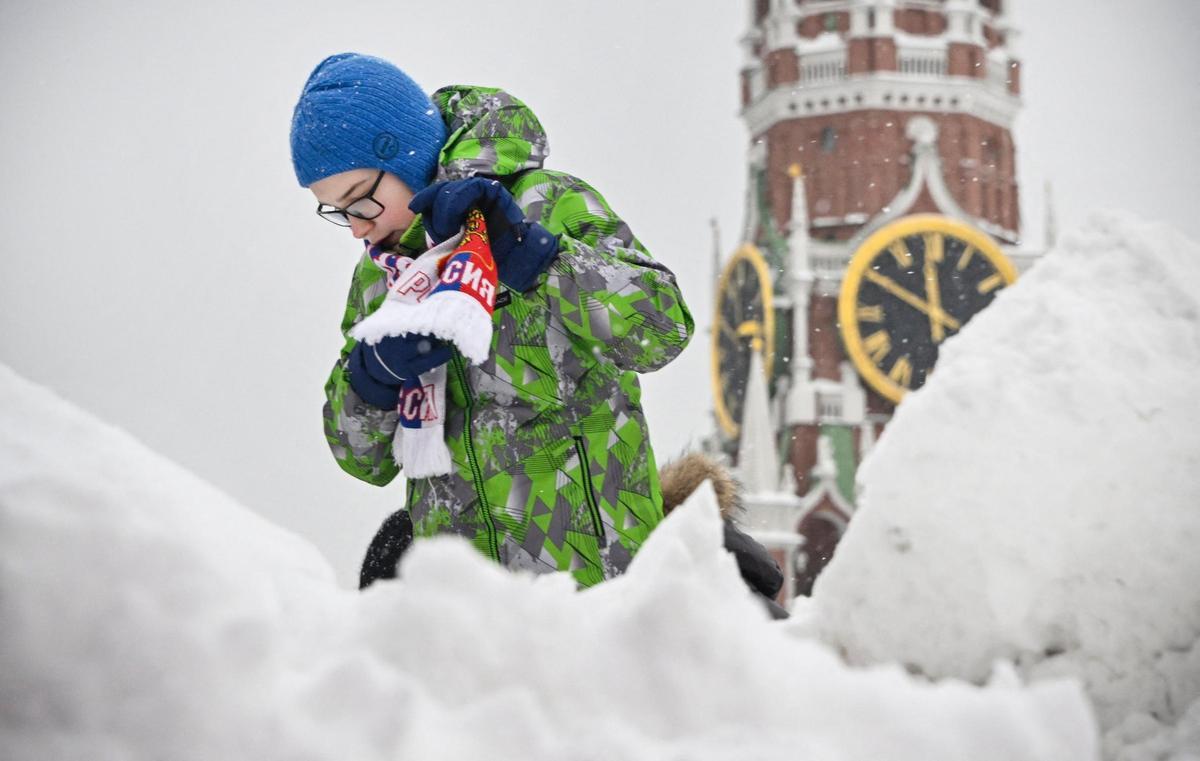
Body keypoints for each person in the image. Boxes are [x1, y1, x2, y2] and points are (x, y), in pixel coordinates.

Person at [289, 53, 694, 589]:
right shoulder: (381, 281)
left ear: (407, 157)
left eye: (360, 201)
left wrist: (538, 258)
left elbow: (662, 331)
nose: (356, 231)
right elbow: (361, 460)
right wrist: (373, 378)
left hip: (596, 590)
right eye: (336, 212)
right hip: (471, 619)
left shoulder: (541, 205)